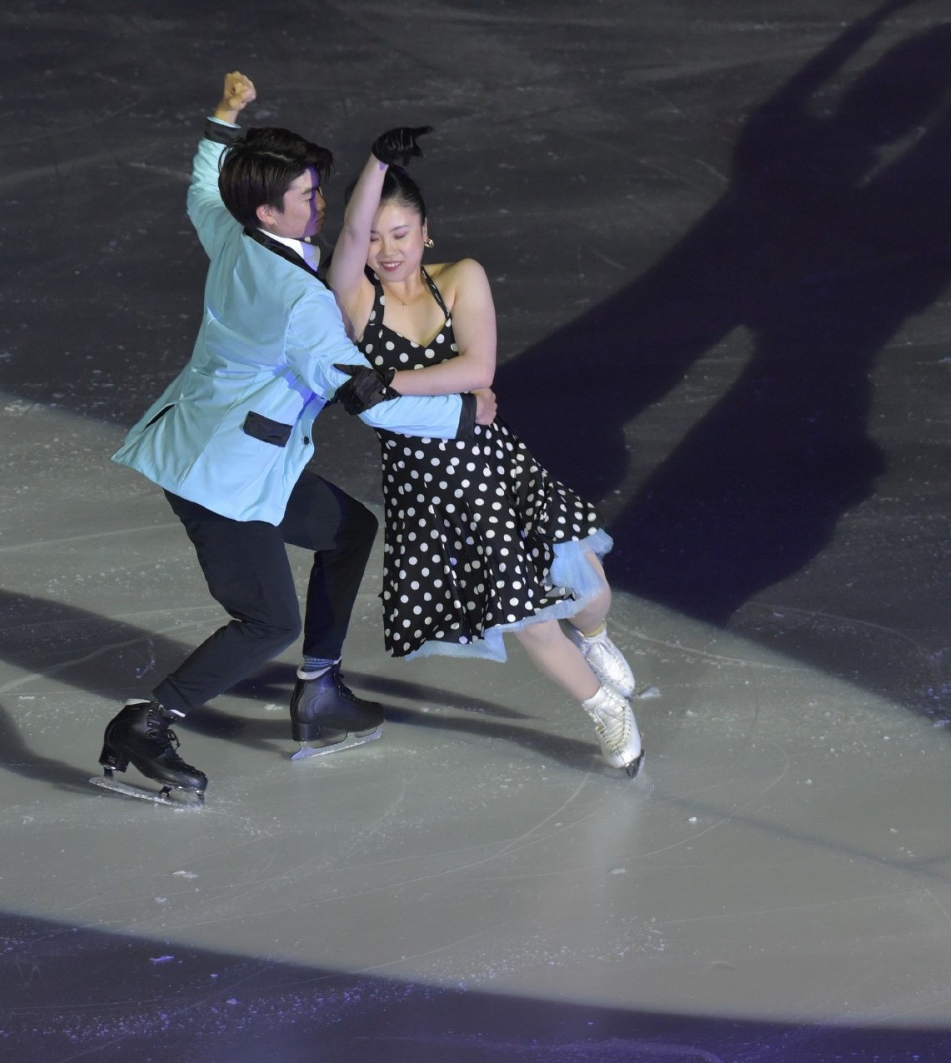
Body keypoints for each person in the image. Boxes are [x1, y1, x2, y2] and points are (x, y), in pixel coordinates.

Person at [99, 74, 495, 805]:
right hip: (221, 478)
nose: (322, 204)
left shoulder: (235, 233)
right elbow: (371, 402)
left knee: (349, 531)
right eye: (310, 195)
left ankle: (320, 690)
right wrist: (465, 414)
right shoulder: (300, 304)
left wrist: (223, 118)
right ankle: (145, 723)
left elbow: (200, 190)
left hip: (240, 455)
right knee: (266, 619)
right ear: (267, 209)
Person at [325, 128, 643, 776]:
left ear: (426, 233)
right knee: (527, 617)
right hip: (431, 491)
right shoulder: (358, 300)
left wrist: (386, 382)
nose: (388, 249)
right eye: (378, 236)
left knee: (590, 589)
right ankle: (606, 709)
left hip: (496, 463)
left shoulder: (462, 278)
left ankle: (599, 635)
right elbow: (350, 244)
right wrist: (377, 161)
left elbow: (479, 367)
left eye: (402, 233)